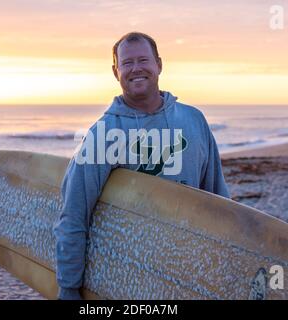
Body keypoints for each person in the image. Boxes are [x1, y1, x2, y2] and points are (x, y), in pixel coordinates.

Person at [53, 32, 230, 300]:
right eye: (127, 63)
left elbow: (218, 199)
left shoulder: (194, 120)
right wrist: (68, 287)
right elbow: (74, 214)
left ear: (159, 64)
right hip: (129, 280)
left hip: (191, 274)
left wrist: (227, 264)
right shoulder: (103, 134)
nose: (136, 68)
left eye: (144, 60)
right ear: (116, 71)